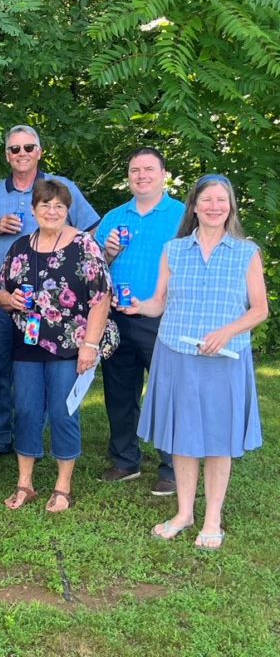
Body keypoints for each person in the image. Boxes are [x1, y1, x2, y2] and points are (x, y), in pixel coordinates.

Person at [127, 175, 267, 550]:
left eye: (222, 200)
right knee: (183, 438)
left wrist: (227, 331)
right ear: (194, 206)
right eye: (207, 199)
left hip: (225, 358)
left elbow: (260, 310)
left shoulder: (246, 252)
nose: (214, 206)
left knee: (219, 441)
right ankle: (184, 513)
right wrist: (142, 307)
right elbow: (160, 301)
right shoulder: (173, 250)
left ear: (231, 207)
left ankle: (213, 519)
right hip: (177, 354)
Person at [0, 125, 99, 463]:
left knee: (43, 366)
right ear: (7, 155)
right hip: (2, 293)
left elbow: (90, 228)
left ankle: (33, 437)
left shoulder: (61, 187)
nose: (22, 153)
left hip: (53, 304)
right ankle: (0, 439)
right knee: (0, 368)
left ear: (40, 151)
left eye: (29, 147)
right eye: (15, 149)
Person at [0, 179, 115, 513]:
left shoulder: (84, 246)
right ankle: (25, 483)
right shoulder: (20, 247)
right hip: (28, 343)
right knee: (28, 410)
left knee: (63, 412)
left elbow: (102, 299)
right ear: (34, 210)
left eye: (59, 206)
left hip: (71, 344)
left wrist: (90, 345)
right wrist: (10, 299)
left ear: (68, 210)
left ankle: (63, 486)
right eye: (45, 205)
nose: (51, 211)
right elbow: (0, 291)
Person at [94, 147, 185, 495]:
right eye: (135, 170)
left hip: (163, 316)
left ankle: (173, 467)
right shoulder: (115, 217)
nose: (141, 175)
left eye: (149, 169)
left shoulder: (181, 215)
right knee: (119, 391)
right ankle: (124, 460)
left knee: (166, 391)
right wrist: (108, 253)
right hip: (116, 317)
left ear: (164, 174)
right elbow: (94, 268)